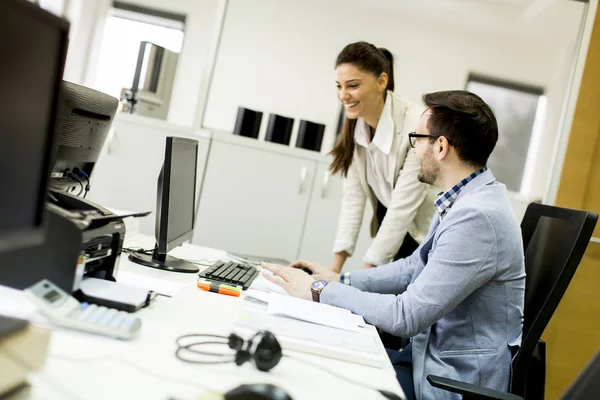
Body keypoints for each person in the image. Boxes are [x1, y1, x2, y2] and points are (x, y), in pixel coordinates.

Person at [262, 90, 526, 400]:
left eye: (418, 139)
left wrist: (319, 290)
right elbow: (415, 266)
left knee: (319, 383)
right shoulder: (468, 198)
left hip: (449, 382)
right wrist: (339, 279)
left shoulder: (477, 218)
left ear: (441, 146)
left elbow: (406, 316)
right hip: (427, 360)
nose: (414, 150)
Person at [329, 41, 436, 272]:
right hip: (397, 234)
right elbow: (353, 198)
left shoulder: (416, 125)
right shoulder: (356, 127)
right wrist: (334, 269)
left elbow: (402, 208)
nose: (343, 95)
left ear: (382, 81)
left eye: (353, 85)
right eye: (339, 86)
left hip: (428, 239)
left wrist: (362, 275)